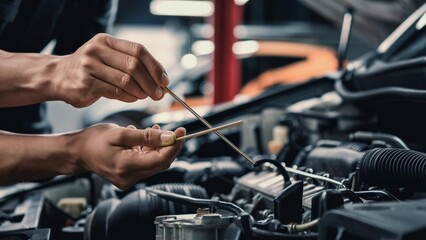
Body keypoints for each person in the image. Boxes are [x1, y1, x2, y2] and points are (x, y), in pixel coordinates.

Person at [0, 0, 185, 189]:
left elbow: (86, 67)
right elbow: (69, 69)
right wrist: (56, 72)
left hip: (29, 157)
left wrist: (78, 150)